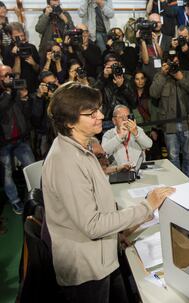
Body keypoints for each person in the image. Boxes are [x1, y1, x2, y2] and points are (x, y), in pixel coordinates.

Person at [42, 81, 175, 302]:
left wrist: (118, 234)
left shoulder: (81, 147)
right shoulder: (65, 161)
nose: (100, 115)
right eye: (91, 113)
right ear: (69, 122)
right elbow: (92, 225)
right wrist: (146, 206)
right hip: (88, 271)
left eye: (99, 110)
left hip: (102, 257)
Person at [0, 65, 35, 214]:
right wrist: (9, 93)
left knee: (31, 167)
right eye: (6, 75)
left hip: (21, 139)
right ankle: (15, 201)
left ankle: (35, 197)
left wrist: (25, 99)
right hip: (3, 143)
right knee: (7, 174)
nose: (10, 77)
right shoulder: (7, 94)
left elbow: (26, 115)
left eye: (11, 74)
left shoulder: (15, 92)